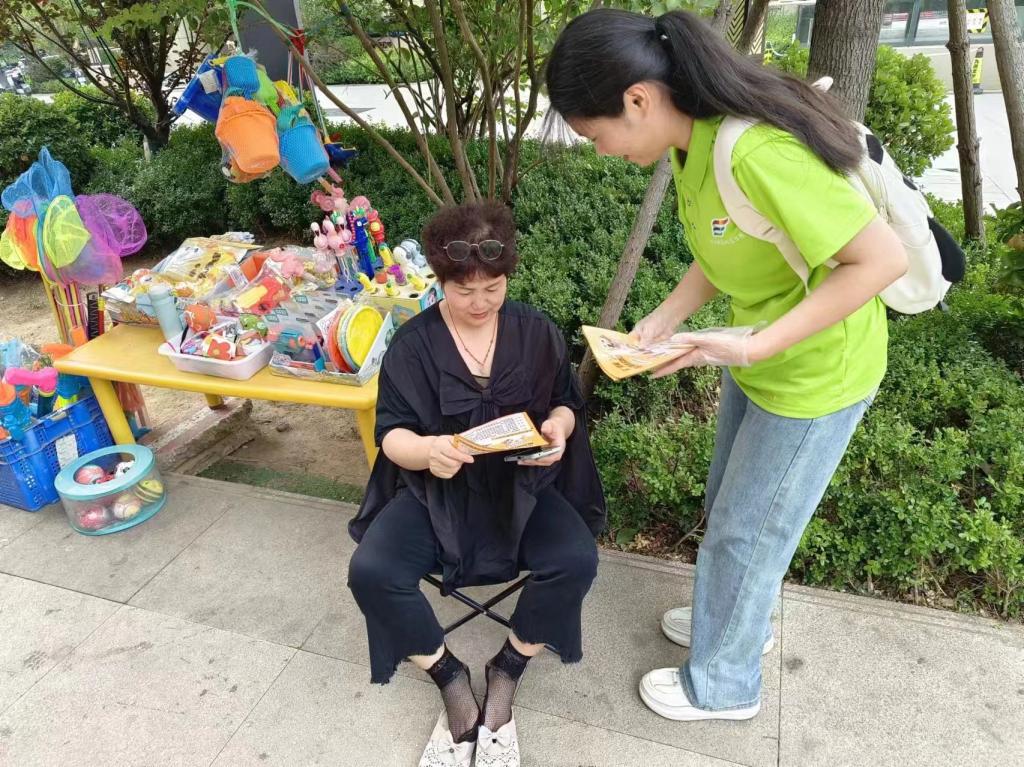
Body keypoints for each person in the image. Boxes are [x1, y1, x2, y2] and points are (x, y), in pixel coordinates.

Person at [544, 9, 908, 722]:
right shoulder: (692, 146)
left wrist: (754, 345)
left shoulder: (754, 152)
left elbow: (880, 260)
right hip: (762, 356)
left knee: (749, 530)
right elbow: (730, 245)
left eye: (595, 135)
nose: (600, 151)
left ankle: (725, 683)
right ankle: (736, 619)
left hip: (816, 373)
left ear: (638, 100)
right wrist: (666, 317)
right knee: (729, 505)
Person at [347, 202, 605, 766]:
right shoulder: (413, 344)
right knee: (372, 571)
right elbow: (391, 434)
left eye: (493, 287)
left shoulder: (535, 331)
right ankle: (448, 674)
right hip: (436, 494)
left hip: (524, 489)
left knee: (576, 560)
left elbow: (565, 402)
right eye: (464, 291)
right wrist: (427, 451)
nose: (481, 302)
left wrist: (559, 430)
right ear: (440, 283)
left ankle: (507, 666)